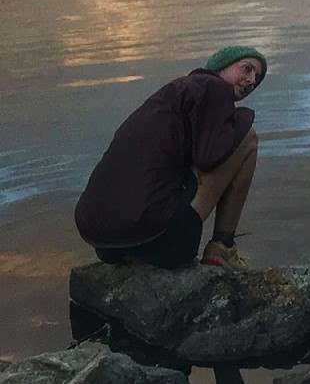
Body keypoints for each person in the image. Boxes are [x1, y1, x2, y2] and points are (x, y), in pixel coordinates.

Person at [74, 46, 267, 270]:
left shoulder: (174, 95)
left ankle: (140, 249)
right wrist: (240, 122)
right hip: (166, 244)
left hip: (103, 243)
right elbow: (209, 158)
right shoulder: (213, 87)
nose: (251, 80)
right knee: (248, 138)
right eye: (246, 69)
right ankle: (222, 248)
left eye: (257, 77)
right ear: (221, 68)